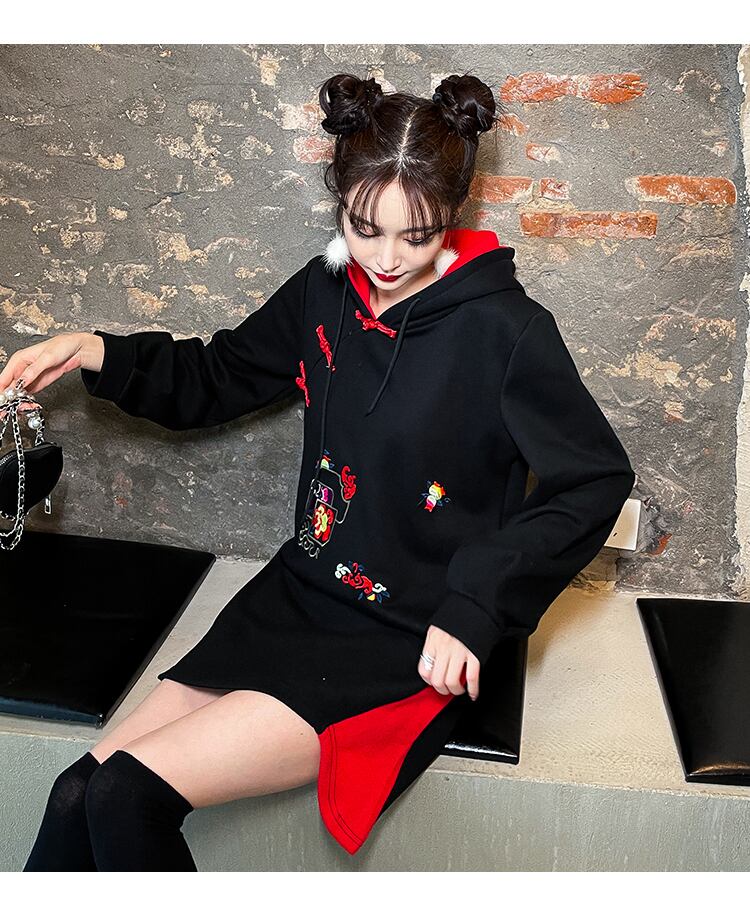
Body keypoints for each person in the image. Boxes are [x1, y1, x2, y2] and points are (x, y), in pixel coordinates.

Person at [2, 71, 636, 871]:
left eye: (417, 236)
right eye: (364, 228)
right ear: (340, 200)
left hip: (410, 630)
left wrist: (478, 604)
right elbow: (218, 377)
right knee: (76, 792)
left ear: (456, 212)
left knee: (128, 794)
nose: (387, 259)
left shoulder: (509, 332)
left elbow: (594, 480)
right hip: (299, 595)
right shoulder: (325, 289)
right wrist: (95, 350)